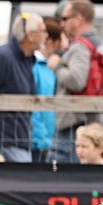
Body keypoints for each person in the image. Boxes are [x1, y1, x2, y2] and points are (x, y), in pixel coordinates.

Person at [50, 0, 103, 164]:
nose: (62, 24)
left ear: (77, 19)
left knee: (63, 178)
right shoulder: (98, 43)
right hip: (90, 119)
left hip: (73, 123)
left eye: (64, 18)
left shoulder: (80, 46)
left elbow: (76, 81)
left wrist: (57, 65)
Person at [0, 13, 43, 163]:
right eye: (42, 32)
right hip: (2, 142)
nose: (45, 36)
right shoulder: (2, 57)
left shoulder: (27, 60)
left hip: (20, 139)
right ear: (31, 36)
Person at [31, 20, 65, 163]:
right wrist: (42, 140)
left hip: (50, 140)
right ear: (51, 41)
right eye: (59, 42)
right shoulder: (34, 67)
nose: (61, 47)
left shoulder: (51, 67)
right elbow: (34, 106)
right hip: (38, 142)